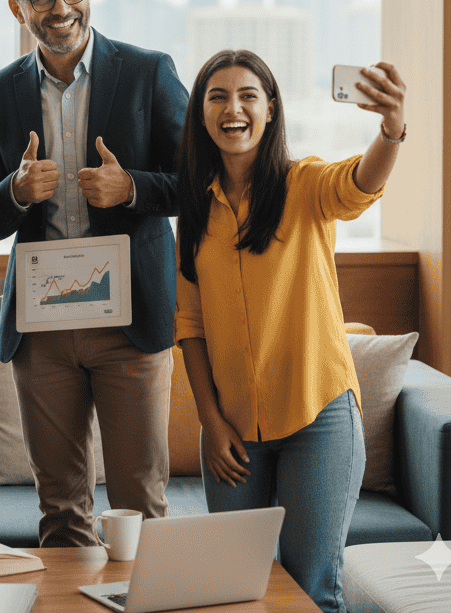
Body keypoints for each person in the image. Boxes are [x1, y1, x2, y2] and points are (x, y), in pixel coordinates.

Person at [0, 0, 189, 547]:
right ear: (18, 9)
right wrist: (15, 191)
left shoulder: (148, 72)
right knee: (62, 513)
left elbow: (196, 185)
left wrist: (133, 190)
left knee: (139, 506)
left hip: (131, 322)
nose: (61, 8)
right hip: (42, 327)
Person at [174, 50, 406, 613]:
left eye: (249, 95)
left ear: (271, 109)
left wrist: (392, 131)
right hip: (231, 430)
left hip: (318, 418)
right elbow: (191, 325)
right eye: (218, 96)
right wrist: (210, 419)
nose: (234, 109)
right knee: (234, 590)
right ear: (202, 115)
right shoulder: (194, 210)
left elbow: (358, 184)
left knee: (312, 588)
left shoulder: (304, 184)